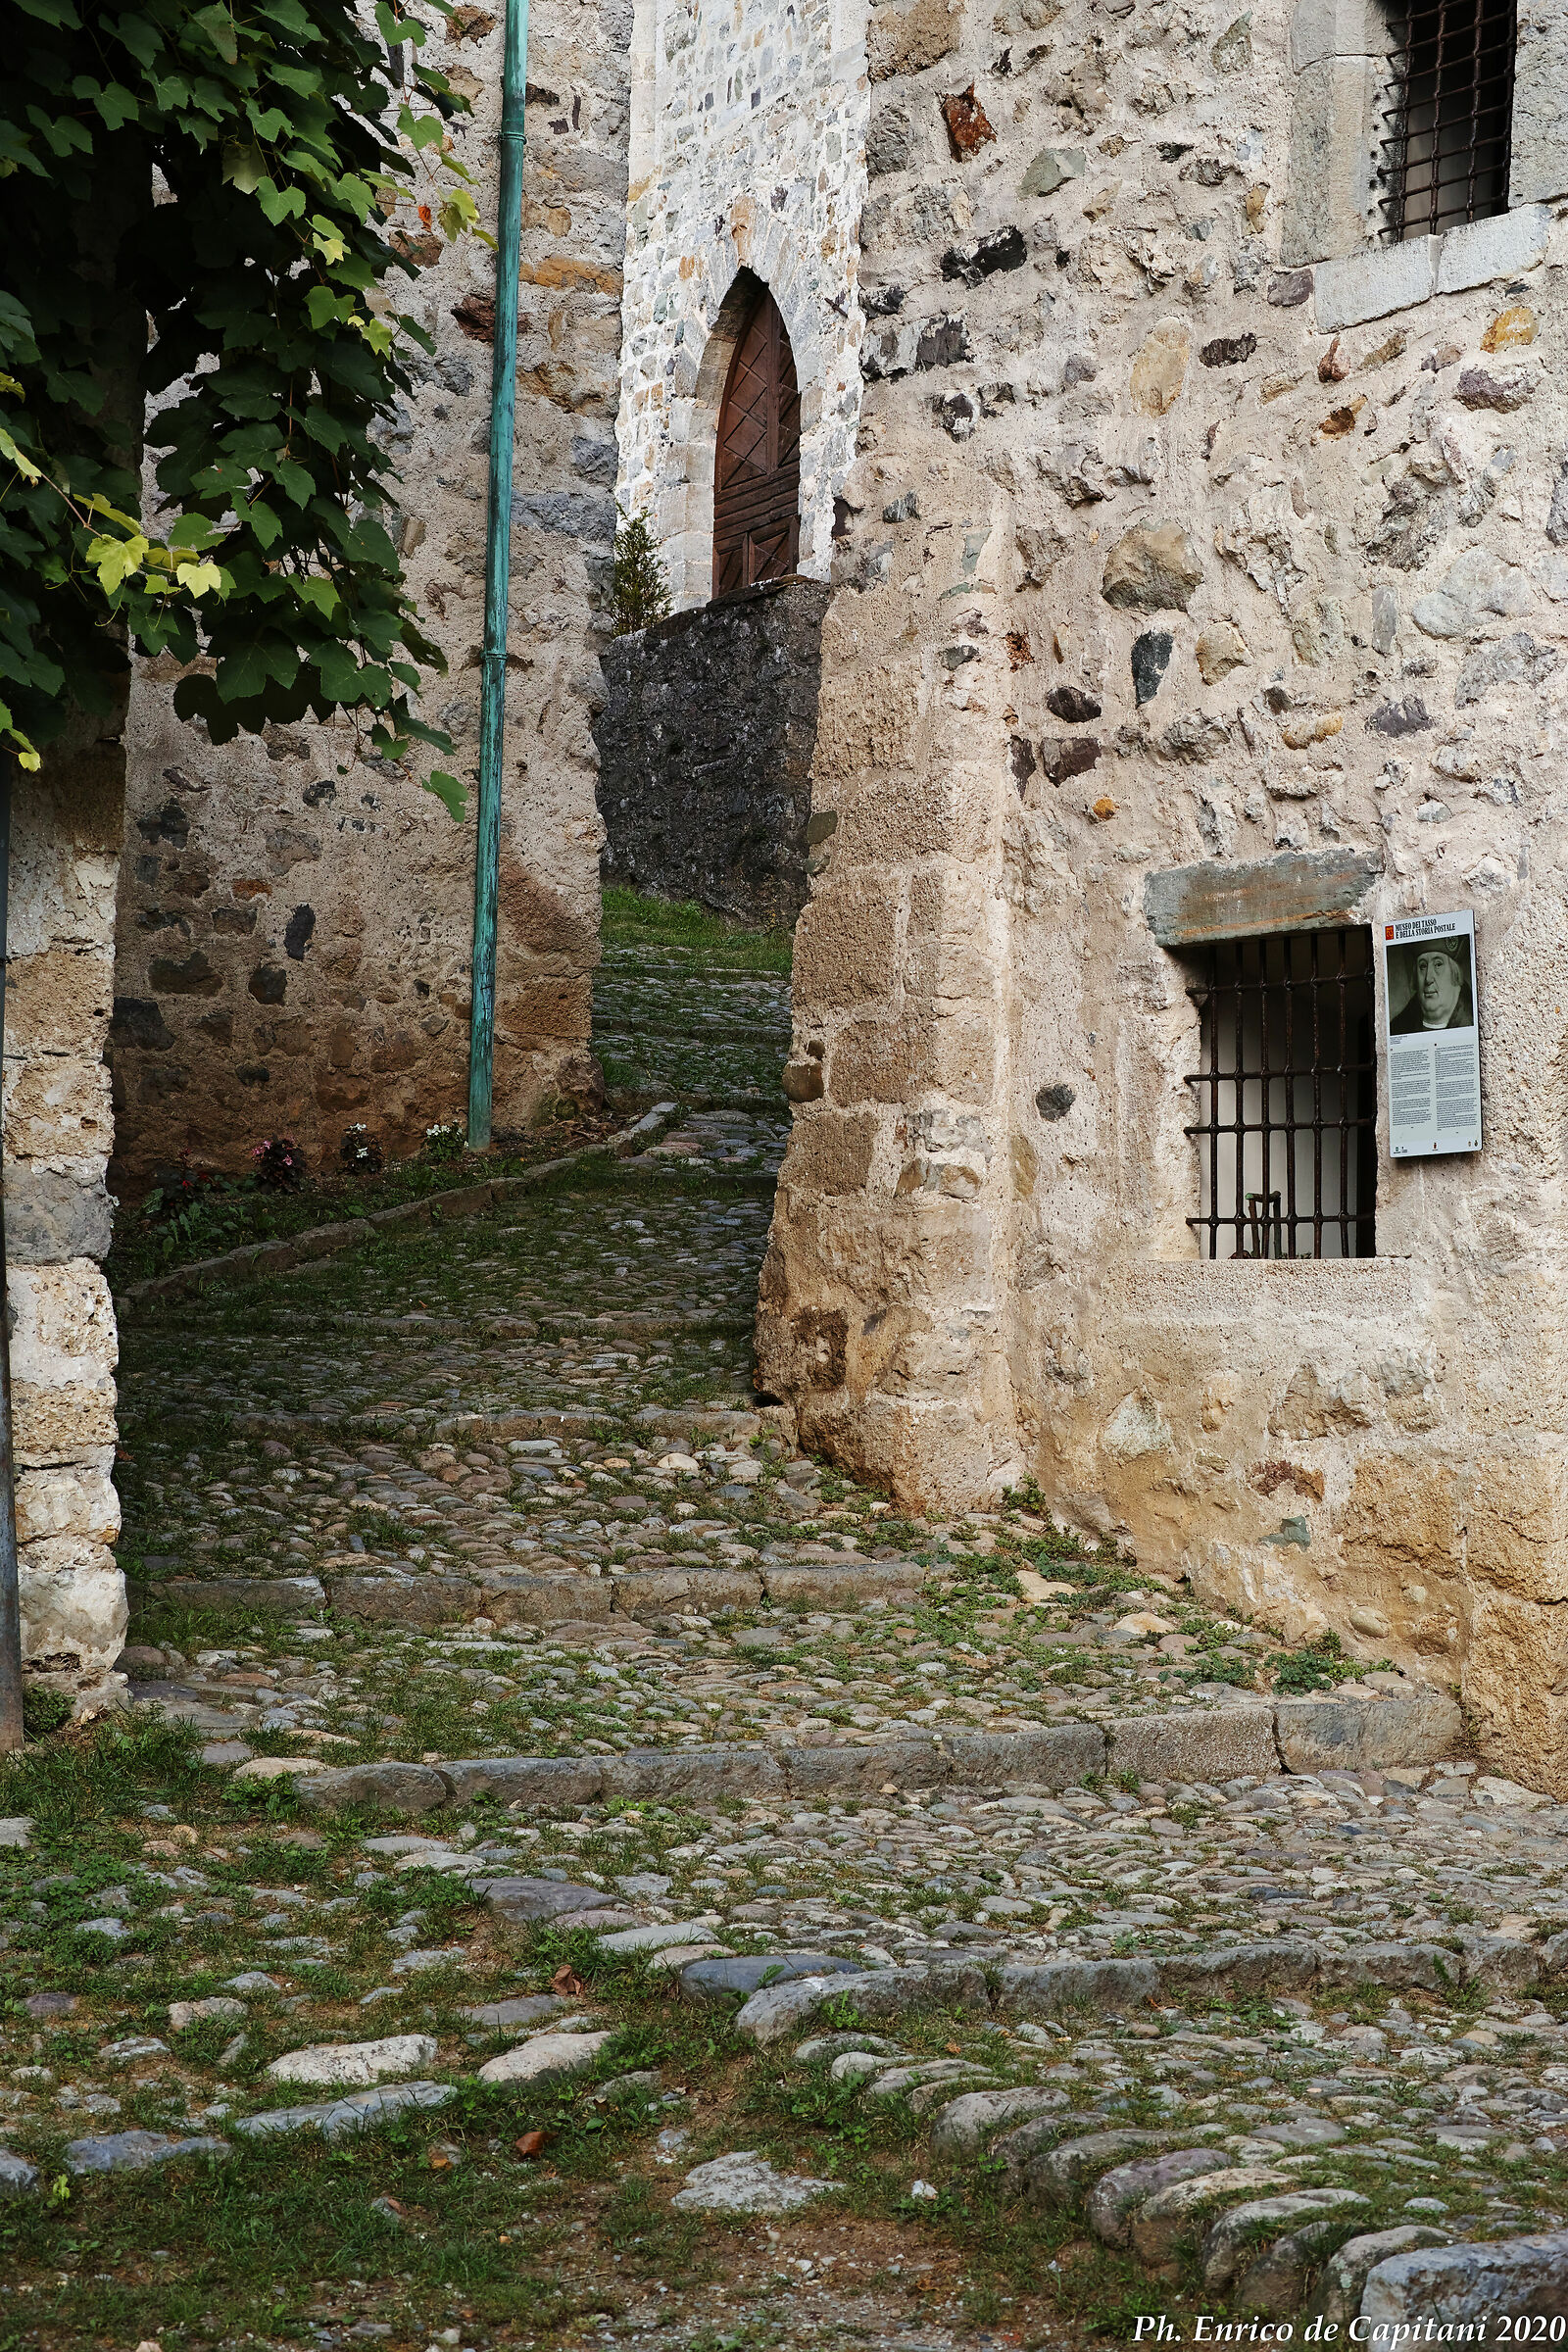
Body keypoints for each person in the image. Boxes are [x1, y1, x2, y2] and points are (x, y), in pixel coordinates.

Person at [1390, 938, 1473, 1032]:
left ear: (1455, 973)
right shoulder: (1398, 1027)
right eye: (1423, 966)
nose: (1428, 979)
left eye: (1438, 964)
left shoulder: (1473, 1020)